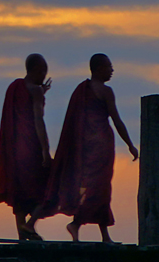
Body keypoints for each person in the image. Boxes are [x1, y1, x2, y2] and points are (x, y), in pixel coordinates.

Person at [23, 53, 138, 243]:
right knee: (98, 189)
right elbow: (116, 120)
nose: (112, 70)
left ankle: (93, 231)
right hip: (98, 148)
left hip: (86, 149)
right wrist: (130, 144)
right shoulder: (105, 91)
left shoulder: (81, 90)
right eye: (109, 67)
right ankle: (79, 226)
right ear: (98, 69)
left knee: (94, 189)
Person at [0, 53, 53, 240]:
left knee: (19, 193)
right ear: (38, 70)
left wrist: (40, 93)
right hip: (31, 147)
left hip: (14, 150)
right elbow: (38, 121)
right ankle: (29, 225)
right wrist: (45, 150)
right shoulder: (34, 90)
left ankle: (22, 237)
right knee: (49, 187)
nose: (44, 76)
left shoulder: (15, 87)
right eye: (44, 72)